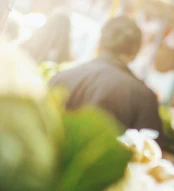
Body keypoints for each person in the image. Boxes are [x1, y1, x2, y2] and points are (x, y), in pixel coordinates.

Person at [49, 16, 165, 146]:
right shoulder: (145, 97)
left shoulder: (62, 77)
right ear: (135, 53)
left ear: (99, 43)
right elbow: (150, 153)